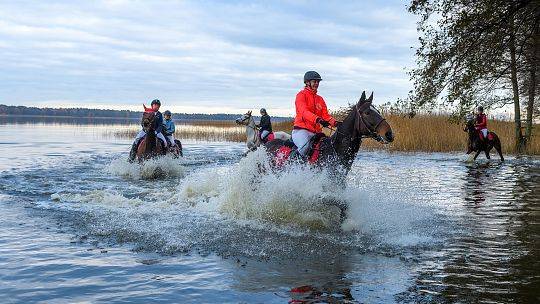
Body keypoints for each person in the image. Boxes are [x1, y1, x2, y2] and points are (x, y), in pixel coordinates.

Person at [292, 71, 338, 157]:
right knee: (304, 147)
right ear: (307, 82)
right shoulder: (301, 95)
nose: (316, 83)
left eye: (318, 82)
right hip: (301, 131)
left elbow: (326, 116)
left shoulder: (320, 99)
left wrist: (335, 123)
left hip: (316, 133)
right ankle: (292, 164)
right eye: (314, 81)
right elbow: (304, 112)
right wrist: (318, 119)